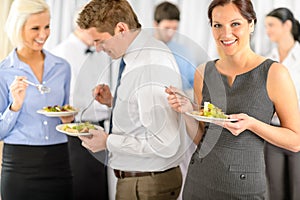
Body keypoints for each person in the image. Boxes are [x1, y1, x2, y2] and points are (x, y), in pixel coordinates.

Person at [165, 0, 300, 199]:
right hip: (198, 183)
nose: (226, 34)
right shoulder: (203, 72)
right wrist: (186, 111)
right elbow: (202, 138)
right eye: (217, 25)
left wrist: (252, 124)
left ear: (251, 24)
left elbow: (295, 140)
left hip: (244, 190)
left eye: (235, 24)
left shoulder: (274, 73)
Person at [76, 0, 190, 199]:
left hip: (146, 185)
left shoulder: (149, 64)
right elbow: (145, 114)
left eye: (100, 40)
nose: (98, 49)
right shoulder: (137, 55)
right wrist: (116, 101)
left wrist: (108, 142)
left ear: (121, 29)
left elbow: (164, 143)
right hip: (142, 181)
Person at [0, 0, 73, 199]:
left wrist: (69, 120)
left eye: (47, 26)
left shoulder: (62, 67)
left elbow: (66, 112)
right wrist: (15, 106)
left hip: (59, 161)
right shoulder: (4, 72)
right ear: (18, 28)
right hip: (19, 165)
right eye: (35, 28)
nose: (43, 34)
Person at [51, 11, 111, 200]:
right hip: (76, 131)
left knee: (99, 188)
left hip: (100, 128)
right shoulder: (60, 53)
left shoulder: (100, 51)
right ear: (82, 26)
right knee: (81, 187)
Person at [264, 7, 300, 200]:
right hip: (274, 133)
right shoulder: (267, 60)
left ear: (287, 25)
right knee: (276, 193)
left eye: (271, 25)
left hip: (298, 133)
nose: (267, 30)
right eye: (266, 26)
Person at [153, 1, 197, 93]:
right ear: (156, 24)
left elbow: (195, 84)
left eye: (174, 28)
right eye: (167, 28)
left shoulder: (184, 53)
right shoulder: (142, 51)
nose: (171, 33)